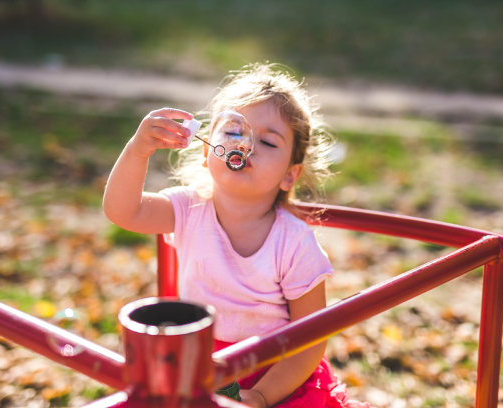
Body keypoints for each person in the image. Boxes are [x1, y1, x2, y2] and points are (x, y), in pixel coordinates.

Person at [103, 63, 373, 408]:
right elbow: (122, 211)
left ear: (290, 176)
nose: (247, 146)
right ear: (206, 151)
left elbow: (309, 340)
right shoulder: (188, 210)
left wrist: (261, 396)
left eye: (267, 141)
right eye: (234, 133)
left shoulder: (294, 243)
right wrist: (137, 150)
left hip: (277, 374)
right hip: (201, 367)